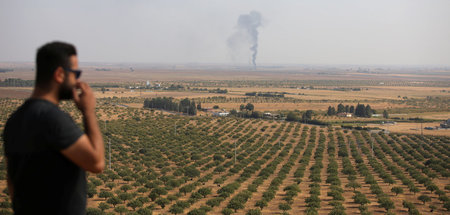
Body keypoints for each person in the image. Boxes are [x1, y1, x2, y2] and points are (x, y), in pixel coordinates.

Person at [2, 41, 105, 214]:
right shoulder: (53, 119)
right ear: (59, 74)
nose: (77, 80)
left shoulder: (14, 120)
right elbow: (97, 162)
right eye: (75, 73)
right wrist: (88, 112)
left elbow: (12, 183)